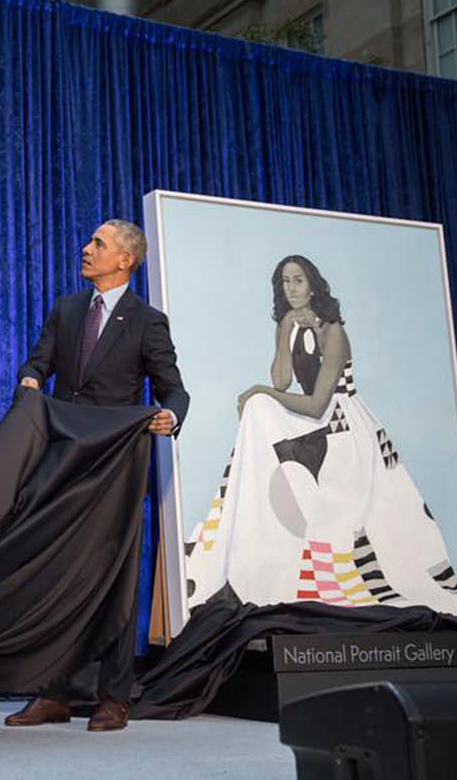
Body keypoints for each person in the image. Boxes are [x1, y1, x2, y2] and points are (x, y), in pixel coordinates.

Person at [185, 255, 457, 614]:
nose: (292, 288)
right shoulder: (289, 325)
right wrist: (283, 334)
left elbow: (317, 404)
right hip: (315, 420)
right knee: (258, 409)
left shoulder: (333, 332)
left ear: (313, 285)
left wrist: (260, 390)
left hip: (343, 424)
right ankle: (248, 541)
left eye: (298, 280)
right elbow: (282, 380)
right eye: (285, 282)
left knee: (261, 402)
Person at [6, 219, 190, 731]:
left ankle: (114, 696)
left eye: (98, 244)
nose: (86, 249)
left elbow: (174, 389)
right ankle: (53, 694)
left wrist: (169, 416)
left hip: (116, 463)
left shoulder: (147, 321)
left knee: (115, 577)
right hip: (64, 457)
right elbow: (39, 363)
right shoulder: (66, 310)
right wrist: (30, 379)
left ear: (124, 260)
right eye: (89, 241)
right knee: (56, 573)